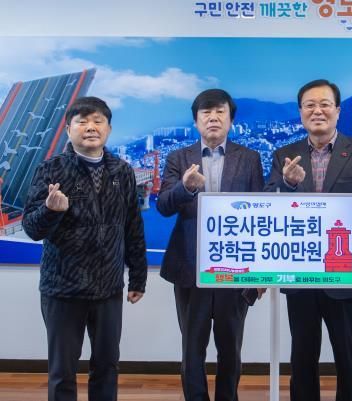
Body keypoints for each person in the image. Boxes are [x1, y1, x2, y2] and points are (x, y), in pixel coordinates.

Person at [264, 79, 352, 401]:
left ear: (338, 111)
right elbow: (269, 206)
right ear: (300, 112)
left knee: (349, 355)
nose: (317, 111)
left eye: (324, 104)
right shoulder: (284, 155)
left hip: (345, 272)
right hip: (300, 272)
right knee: (302, 356)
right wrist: (289, 184)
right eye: (310, 105)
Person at [22, 96, 148, 401]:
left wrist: (138, 278)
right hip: (62, 289)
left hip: (108, 288)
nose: (90, 127)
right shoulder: (50, 169)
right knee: (62, 371)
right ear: (69, 130)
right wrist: (50, 210)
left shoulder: (122, 171)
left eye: (97, 121)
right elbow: (32, 229)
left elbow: (133, 226)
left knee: (107, 366)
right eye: (82, 122)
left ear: (108, 128)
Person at [157, 89, 265, 401]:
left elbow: (260, 214)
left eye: (220, 112)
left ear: (231, 120)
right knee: (192, 349)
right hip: (190, 268)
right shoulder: (179, 158)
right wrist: (185, 188)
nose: (213, 118)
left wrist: (259, 274)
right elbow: (163, 206)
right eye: (206, 113)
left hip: (237, 269)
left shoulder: (250, 158)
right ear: (196, 121)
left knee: (231, 347)